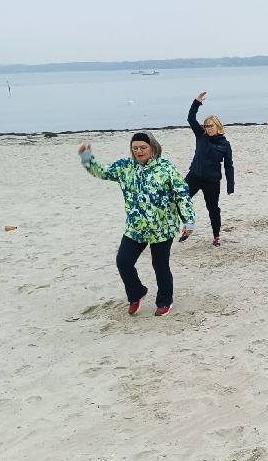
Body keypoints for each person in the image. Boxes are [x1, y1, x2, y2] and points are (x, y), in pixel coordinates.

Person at [78, 132, 195, 316]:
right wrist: (87, 158)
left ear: (152, 148)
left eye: (143, 147)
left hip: (162, 228)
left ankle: (165, 300)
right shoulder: (125, 167)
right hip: (136, 228)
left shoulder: (165, 168)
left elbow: (182, 194)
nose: (139, 151)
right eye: (135, 148)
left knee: (160, 265)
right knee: (123, 262)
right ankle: (137, 293)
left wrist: (189, 221)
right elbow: (103, 171)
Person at [181, 92, 234, 246]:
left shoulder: (224, 144)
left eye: (211, 126)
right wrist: (197, 102)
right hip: (194, 176)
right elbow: (190, 118)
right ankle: (188, 227)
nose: (208, 128)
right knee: (180, 201)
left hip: (212, 180)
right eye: (206, 126)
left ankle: (216, 236)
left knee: (212, 208)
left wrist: (230, 186)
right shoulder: (201, 135)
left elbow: (228, 166)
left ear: (218, 126)